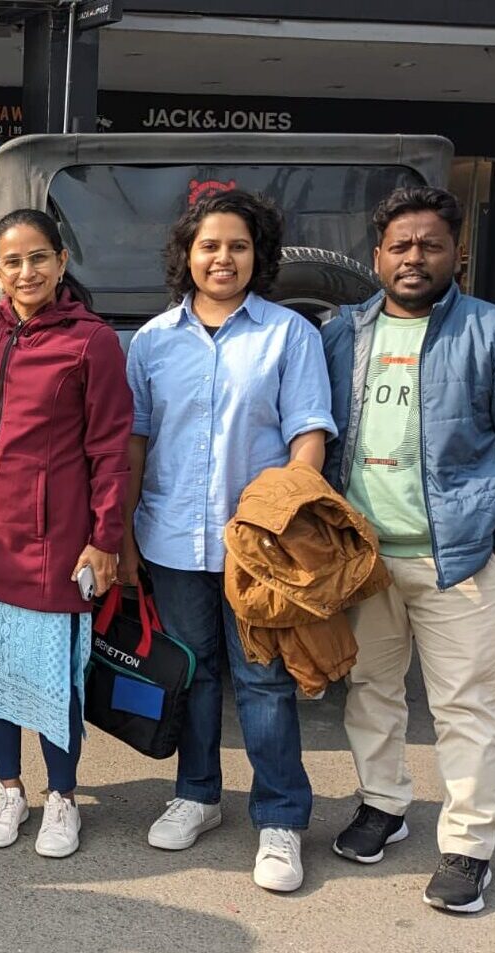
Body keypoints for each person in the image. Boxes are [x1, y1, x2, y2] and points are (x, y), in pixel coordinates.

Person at [322, 187, 495, 914]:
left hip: (458, 558)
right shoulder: (343, 332)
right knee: (370, 692)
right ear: (376, 257)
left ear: (456, 253)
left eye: (429, 244)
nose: (413, 257)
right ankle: (383, 804)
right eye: (399, 245)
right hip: (365, 560)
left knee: (464, 708)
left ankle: (467, 845)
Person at [122, 190, 334, 893]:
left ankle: (279, 816)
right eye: (209, 245)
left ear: (257, 256)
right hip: (171, 539)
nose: (222, 257)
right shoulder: (152, 341)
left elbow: (308, 432)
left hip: (257, 546)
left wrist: (287, 524)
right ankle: (198, 795)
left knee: (263, 680)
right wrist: (123, 533)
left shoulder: (287, 335)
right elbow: (137, 441)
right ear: (187, 253)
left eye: (237, 246)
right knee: (193, 673)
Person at [0, 208, 132, 860]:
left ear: (61, 262)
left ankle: (62, 797)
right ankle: (8, 788)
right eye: (12, 261)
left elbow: (108, 449)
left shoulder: (90, 341)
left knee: (53, 681)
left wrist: (104, 540)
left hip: (52, 542)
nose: (27, 271)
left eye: (39, 257)